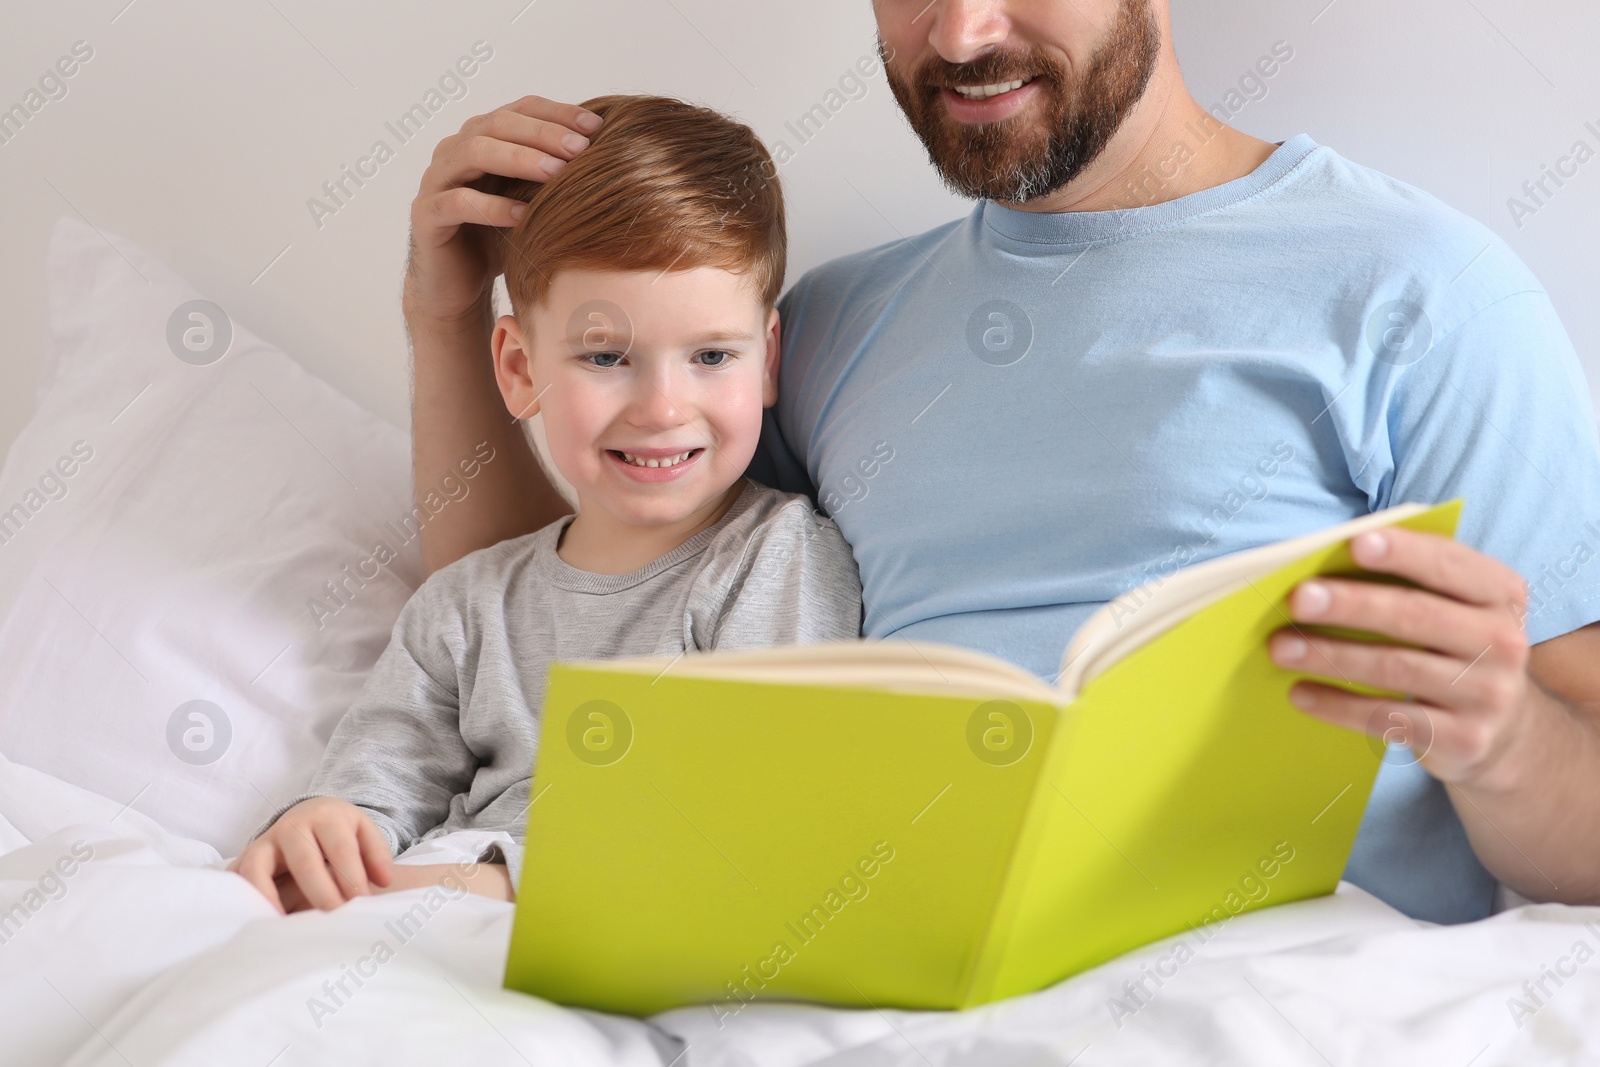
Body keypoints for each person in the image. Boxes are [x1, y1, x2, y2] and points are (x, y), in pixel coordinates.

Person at [400, 1, 1600, 925]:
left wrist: (1498, 741)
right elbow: (541, 601)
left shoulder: (1422, 293)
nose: (962, 34)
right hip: (881, 964)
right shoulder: (818, 330)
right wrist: (450, 324)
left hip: (1270, 975)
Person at [228, 95, 864, 914]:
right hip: (423, 918)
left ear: (766, 359)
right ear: (521, 369)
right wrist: (323, 828)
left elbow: (748, 827)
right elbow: (374, 793)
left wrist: (479, 884)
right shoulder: (463, 605)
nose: (664, 407)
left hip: (602, 927)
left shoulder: (776, 559)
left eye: (711, 354)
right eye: (607, 355)